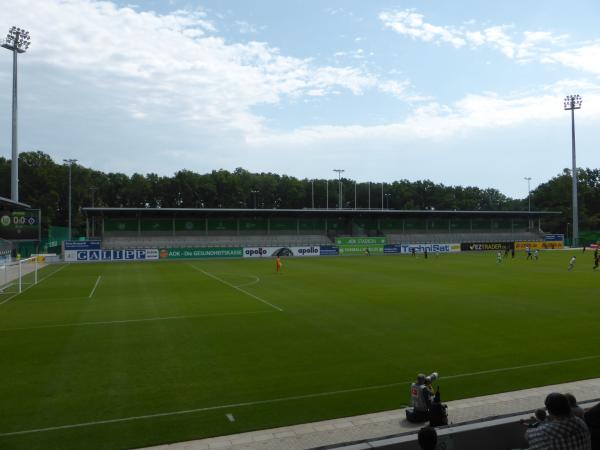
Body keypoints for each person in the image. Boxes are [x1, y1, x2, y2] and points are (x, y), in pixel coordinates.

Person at [525, 392, 591, 449]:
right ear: (568, 407)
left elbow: (528, 435)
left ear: (549, 411)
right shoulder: (581, 422)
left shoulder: (547, 431)